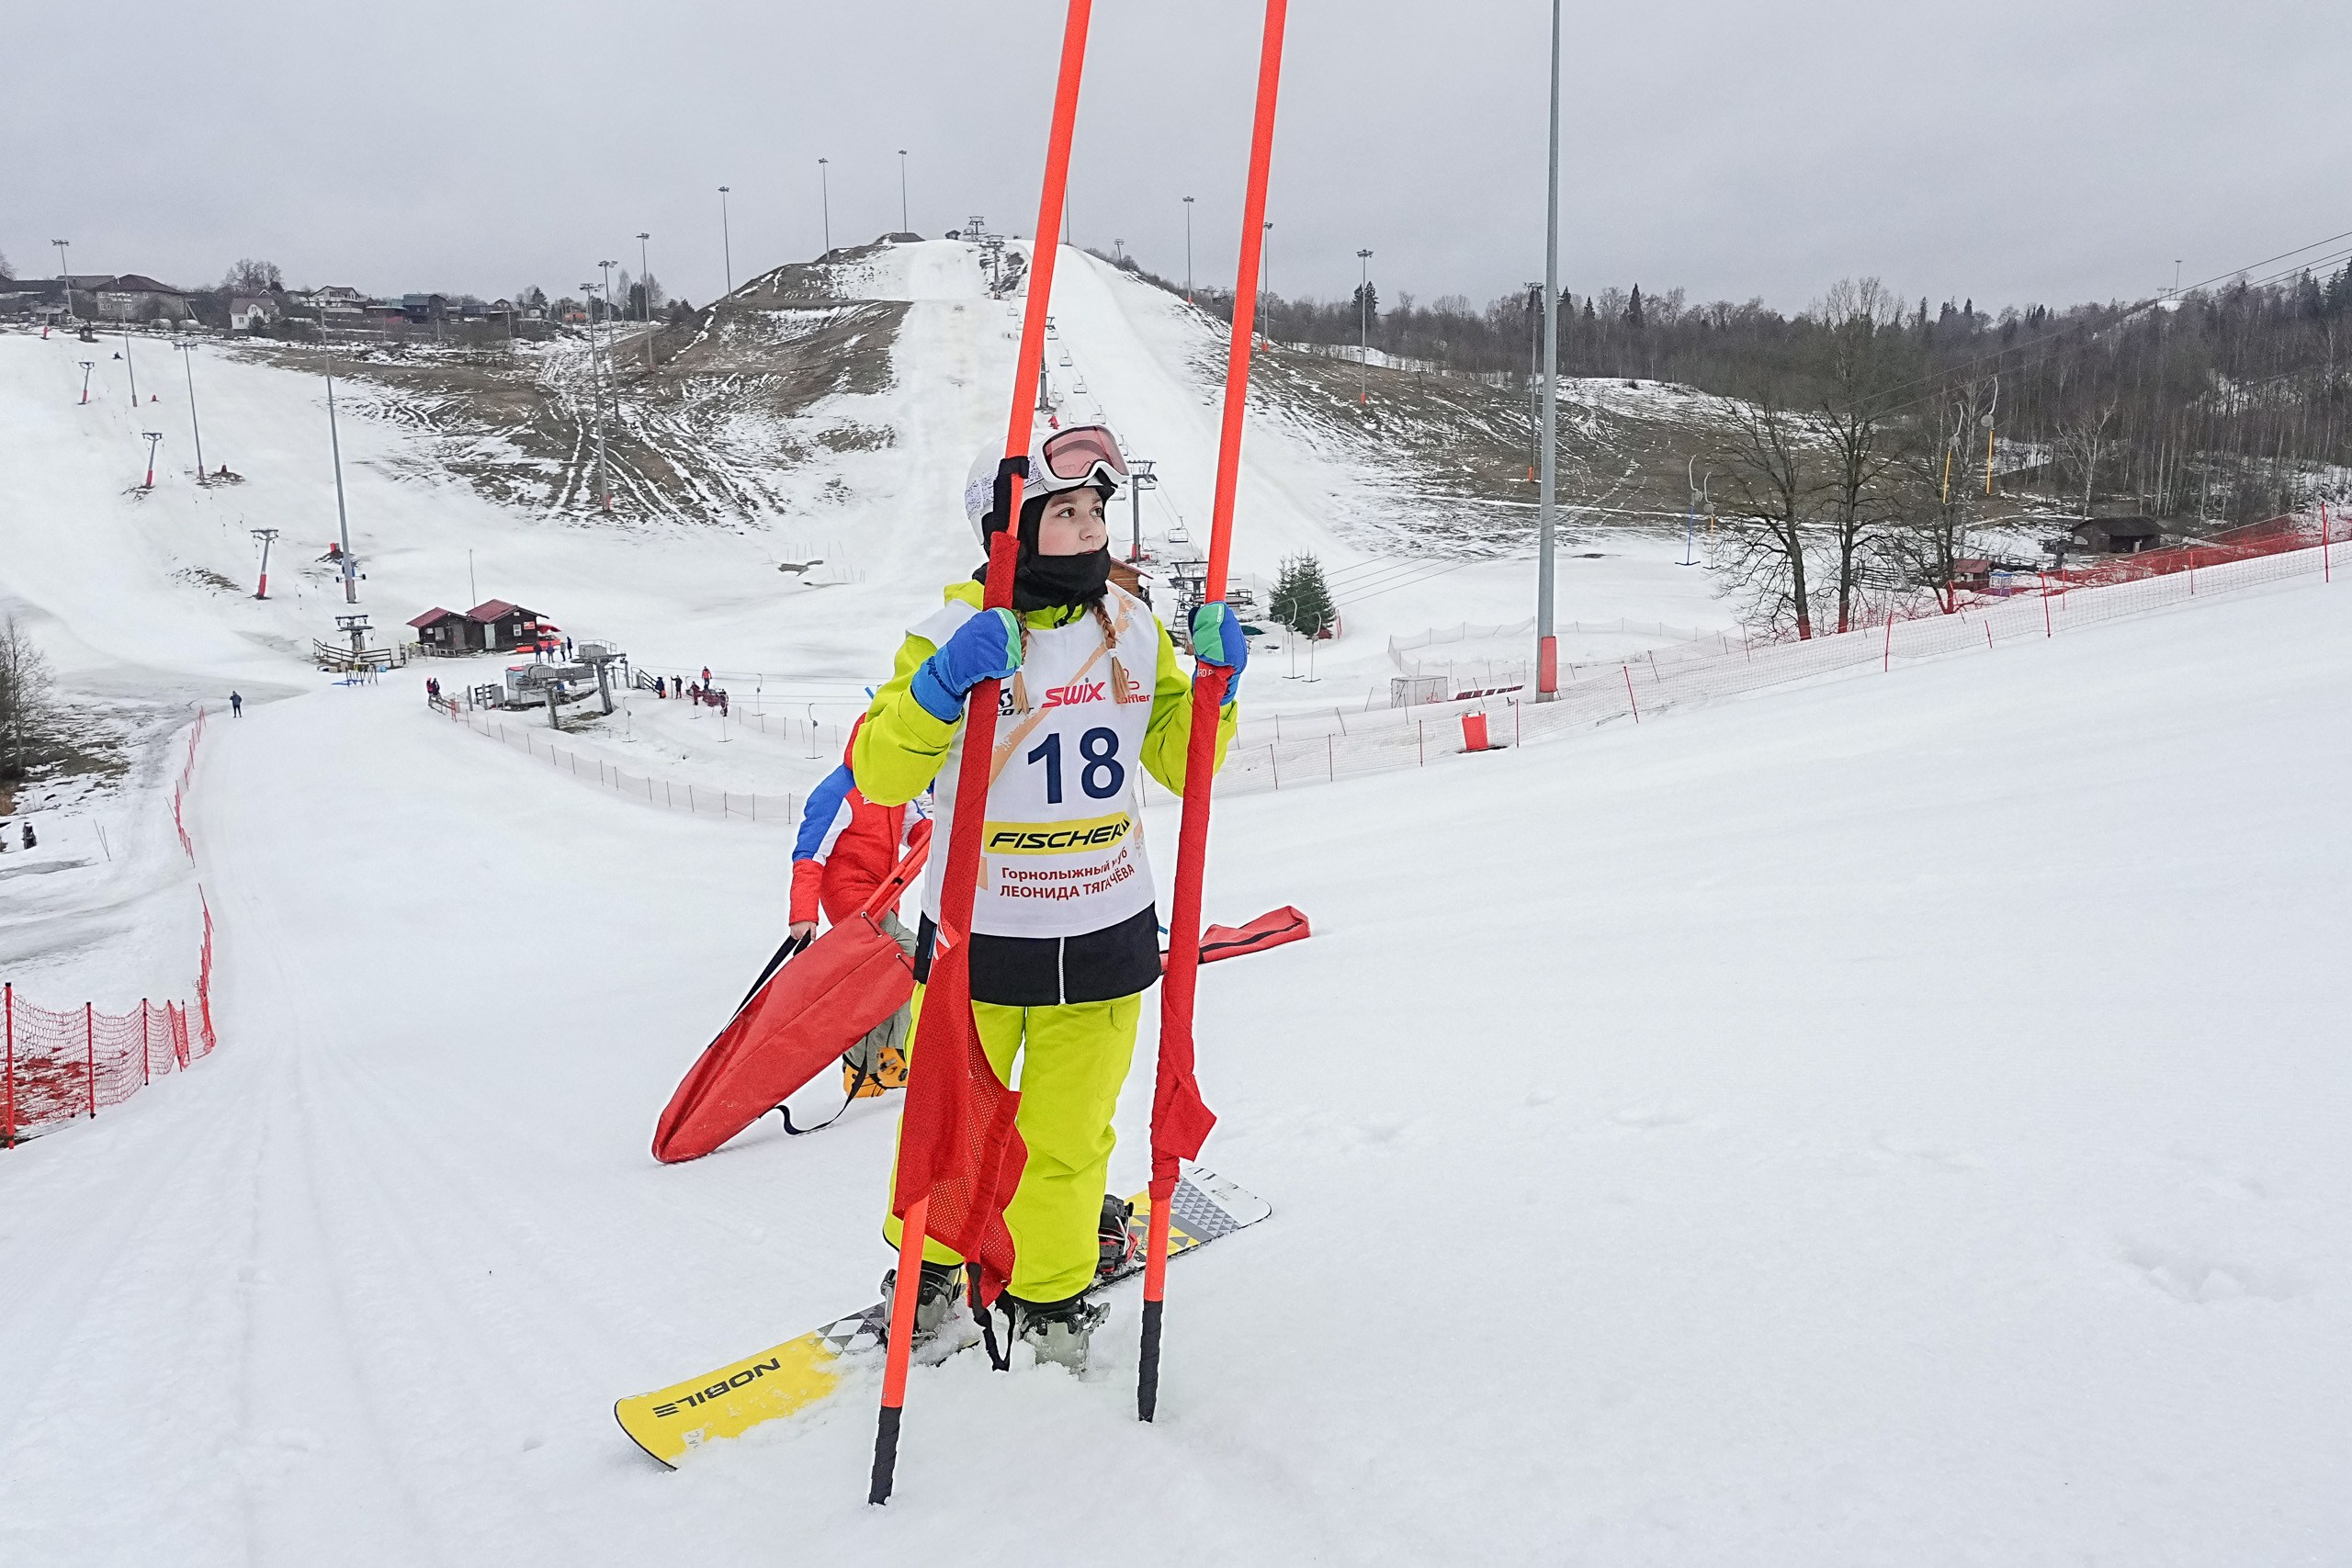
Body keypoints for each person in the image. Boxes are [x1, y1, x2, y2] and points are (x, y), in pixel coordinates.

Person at [854, 423, 1246, 1371]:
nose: (1087, 526)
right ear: (1010, 529)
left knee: (1067, 1139)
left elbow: (1179, 766)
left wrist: (1216, 690)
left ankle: (1051, 1296)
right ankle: (932, 1275)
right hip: (979, 939)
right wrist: (941, 688)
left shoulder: (1134, 626)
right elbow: (879, 771)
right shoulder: (956, 633)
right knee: (955, 1122)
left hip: (1104, 927)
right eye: (1063, 510)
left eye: (1095, 511)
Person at [790, 720, 928, 1100]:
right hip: (850, 897)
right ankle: (888, 1057)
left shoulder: (895, 785)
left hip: (885, 893)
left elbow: (916, 828)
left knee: (882, 976)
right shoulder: (838, 792)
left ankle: (867, 1069)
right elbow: (809, 856)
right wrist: (804, 914)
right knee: (908, 956)